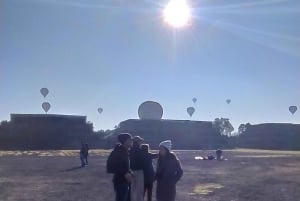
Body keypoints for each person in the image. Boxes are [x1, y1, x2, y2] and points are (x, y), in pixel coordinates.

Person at [108, 133, 133, 201]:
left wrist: (129, 173)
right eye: (130, 139)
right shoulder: (118, 151)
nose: (132, 141)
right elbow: (110, 167)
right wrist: (125, 173)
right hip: (120, 181)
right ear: (126, 140)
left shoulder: (125, 151)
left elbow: (124, 166)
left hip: (125, 181)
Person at [129, 136, 145, 201]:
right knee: (139, 189)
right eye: (140, 141)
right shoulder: (139, 150)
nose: (141, 142)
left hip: (131, 170)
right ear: (138, 141)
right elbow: (142, 160)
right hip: (139, 171)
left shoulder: (130, 149)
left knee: (132, 189)